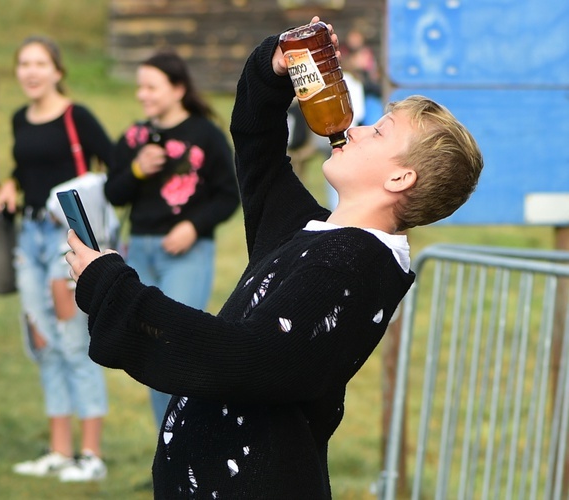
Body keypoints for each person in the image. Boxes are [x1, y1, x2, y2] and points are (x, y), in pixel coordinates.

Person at [64, 17, 483, 498]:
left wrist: (112, 287)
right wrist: (275, 67)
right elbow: (258, 146)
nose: (358, 129)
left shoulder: (355, 266)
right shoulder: (313, 234)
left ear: (399, 180)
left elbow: (245, 358)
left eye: (380, 133)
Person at [0, 36, 112, 482]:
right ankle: (60, 452)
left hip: (66, 244)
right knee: (42, 343)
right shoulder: (20, 117)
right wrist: (9, 186)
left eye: (40, 63)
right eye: (24, 63)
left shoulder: (76, 116)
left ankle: (91, 456)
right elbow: (25, 173)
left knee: (72, 343)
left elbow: (114, 169)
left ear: (58, 70)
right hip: (28, 240)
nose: (31, 71)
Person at [104, 50, 240, 427]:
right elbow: (114, 194)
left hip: (187, 252)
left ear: (178, 88)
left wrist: (193, 227)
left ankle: (191, 444)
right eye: (139, 88)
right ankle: (168, 450)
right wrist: (136, 169)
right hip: (140, 252)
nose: (142, 95)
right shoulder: (134, 137)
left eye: (151, 87)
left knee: (176, 347)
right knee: (151, 353)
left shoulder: (206, 135)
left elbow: (230, 195)